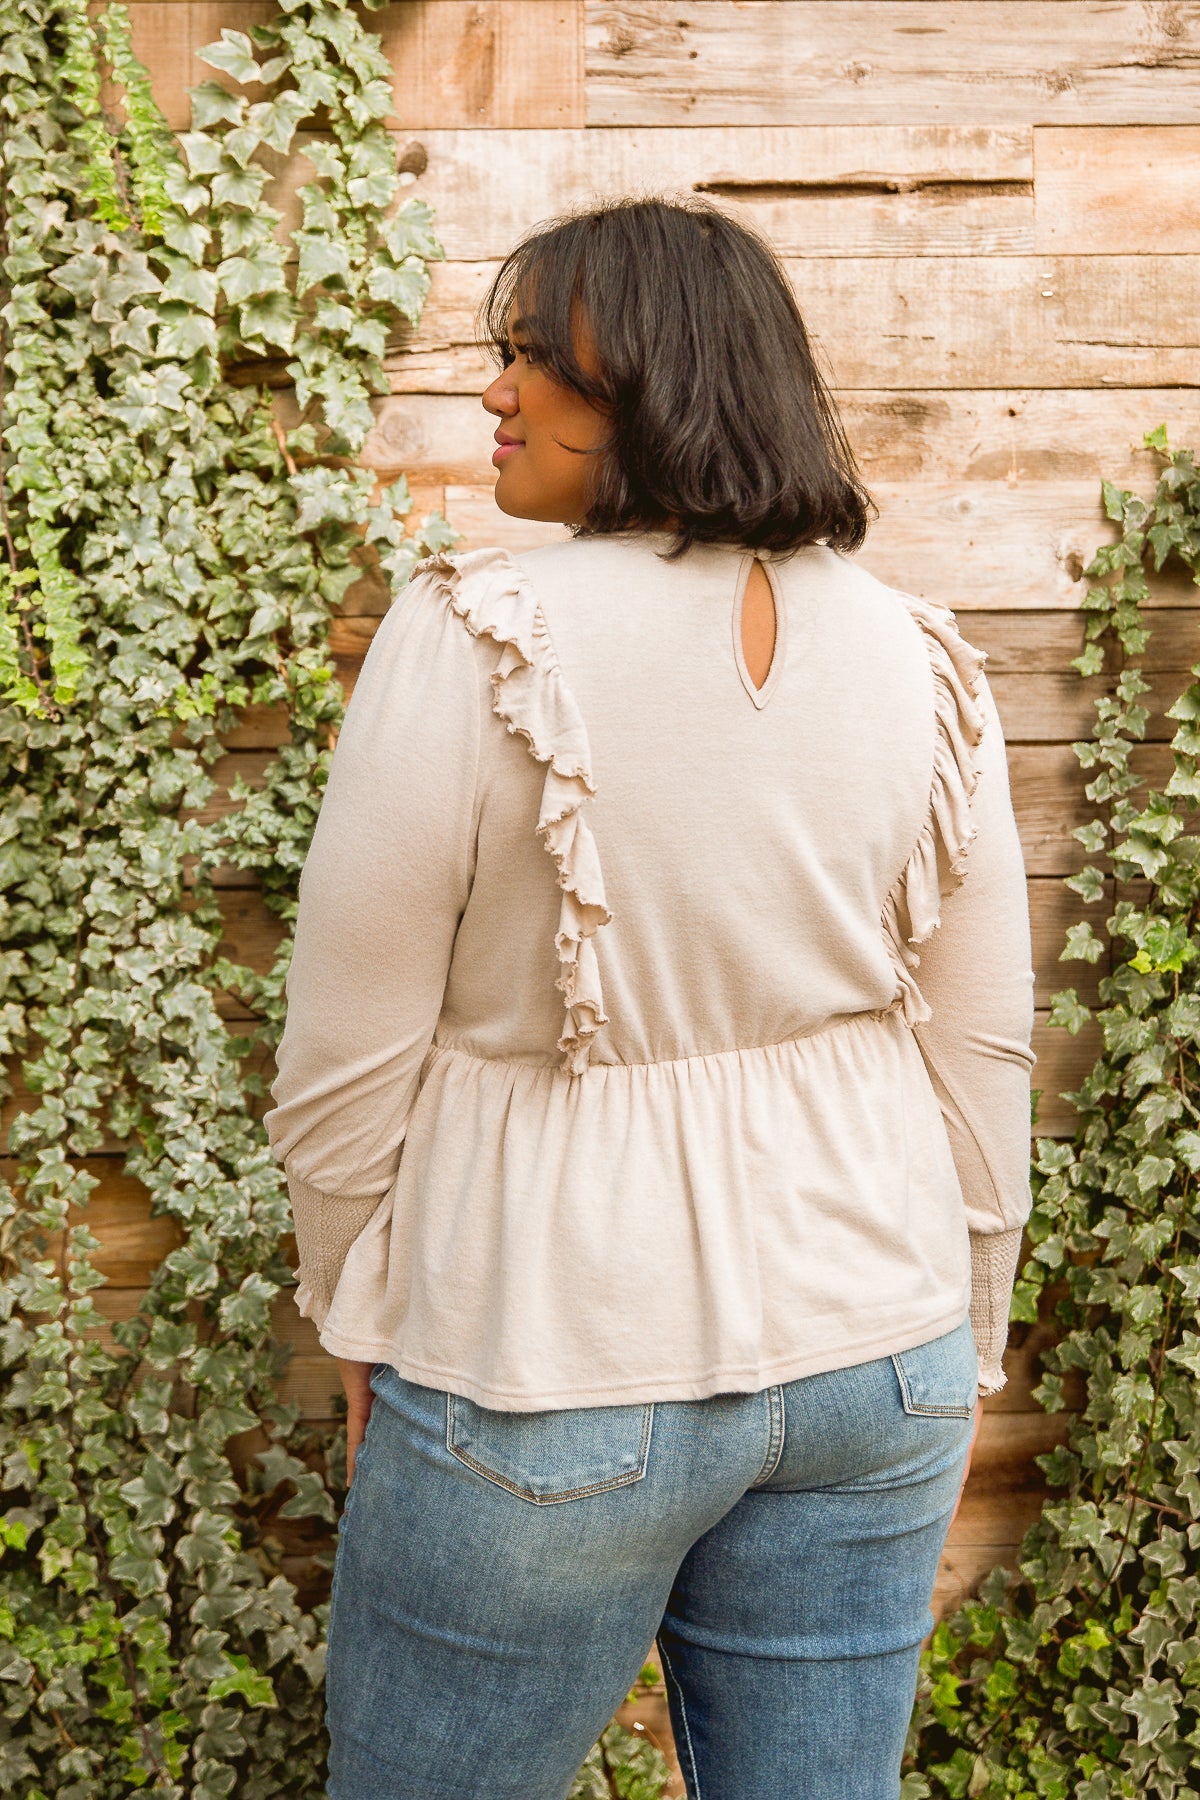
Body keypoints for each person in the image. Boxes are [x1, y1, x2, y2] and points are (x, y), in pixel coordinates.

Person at [264, 193, 1036, 1800]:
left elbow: (345, 1056)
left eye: (535, 359)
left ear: (656, 383)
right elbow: (981, 1044)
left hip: (549, 1345)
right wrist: (964, 1335)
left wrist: (359, 1311)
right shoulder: (924, 657)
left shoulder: (475, 633)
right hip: (877, 1349)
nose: (494, 392)